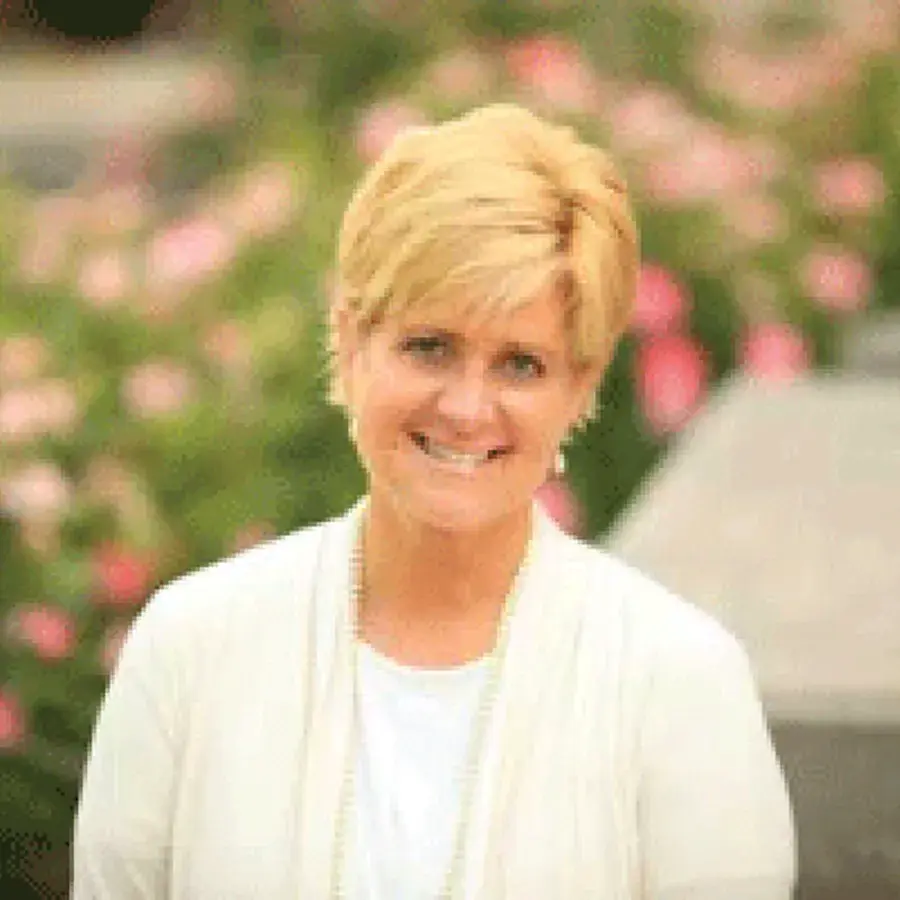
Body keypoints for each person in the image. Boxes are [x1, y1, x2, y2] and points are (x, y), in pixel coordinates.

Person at [71, 103, 796, 899]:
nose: (466, 407)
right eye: (429, 347)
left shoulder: (677, 680)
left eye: (520, 364)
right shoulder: (191, 649)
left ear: (579, 387)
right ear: (351, 347)